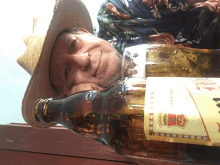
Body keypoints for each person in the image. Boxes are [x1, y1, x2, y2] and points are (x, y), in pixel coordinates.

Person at [18, 0, 220, 130]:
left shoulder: (118, 14)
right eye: (66, 72)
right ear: (68, 94)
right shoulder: (108, 120)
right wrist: (98, 103)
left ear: (85, 32)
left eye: (74, 44)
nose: (83, 59)